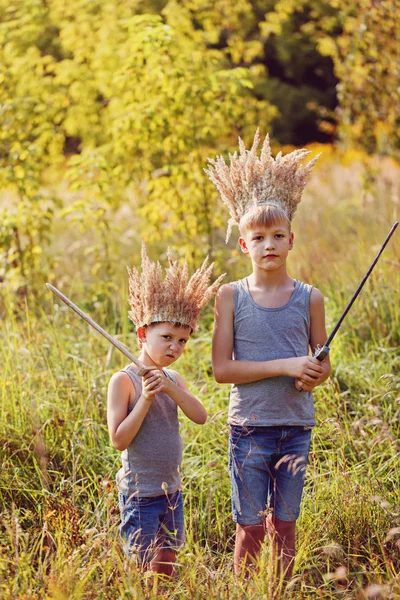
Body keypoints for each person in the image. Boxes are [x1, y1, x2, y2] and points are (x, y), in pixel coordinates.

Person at [206, 130, 331, 579]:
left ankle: (281, 589)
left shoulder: (310, 297)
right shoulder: (230, 296)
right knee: (250, 528)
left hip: (295, 426)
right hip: (249, 427)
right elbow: (222, 370)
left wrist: (314, 373)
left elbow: (321, 365)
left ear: (292, 239)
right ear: (244, 245)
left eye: (278, 235)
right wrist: (286, 365)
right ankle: (244, 589)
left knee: (285, 524)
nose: (269, 245)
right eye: (258, 238)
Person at [107, 244, 224, 577]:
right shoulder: (125, 381)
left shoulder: (174, 377)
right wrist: (145, 398)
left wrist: (169, 386)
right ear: (143, 334)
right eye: (167, 337)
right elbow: (119, 440)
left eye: (183, 341)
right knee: (143, 567)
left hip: (171, 489)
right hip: (139, 493)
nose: (175, 347)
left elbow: (200, 416)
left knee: (167, 564)